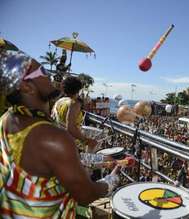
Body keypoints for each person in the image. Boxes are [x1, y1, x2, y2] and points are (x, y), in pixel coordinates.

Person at [0, 51, 121, 218]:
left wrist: (98, 160)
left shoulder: (6, 119)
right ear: (26, 86)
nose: (49, 75)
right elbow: (85, 194)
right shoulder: (51, 136)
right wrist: (111, 180)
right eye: (42, 72)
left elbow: (53, 161)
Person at [52, 76, 98, 152]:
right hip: (68, 144)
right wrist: (87, 141)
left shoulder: (59, 101)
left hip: (56, 140)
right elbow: (70, 127)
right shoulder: (74, 103)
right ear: (78, 89)